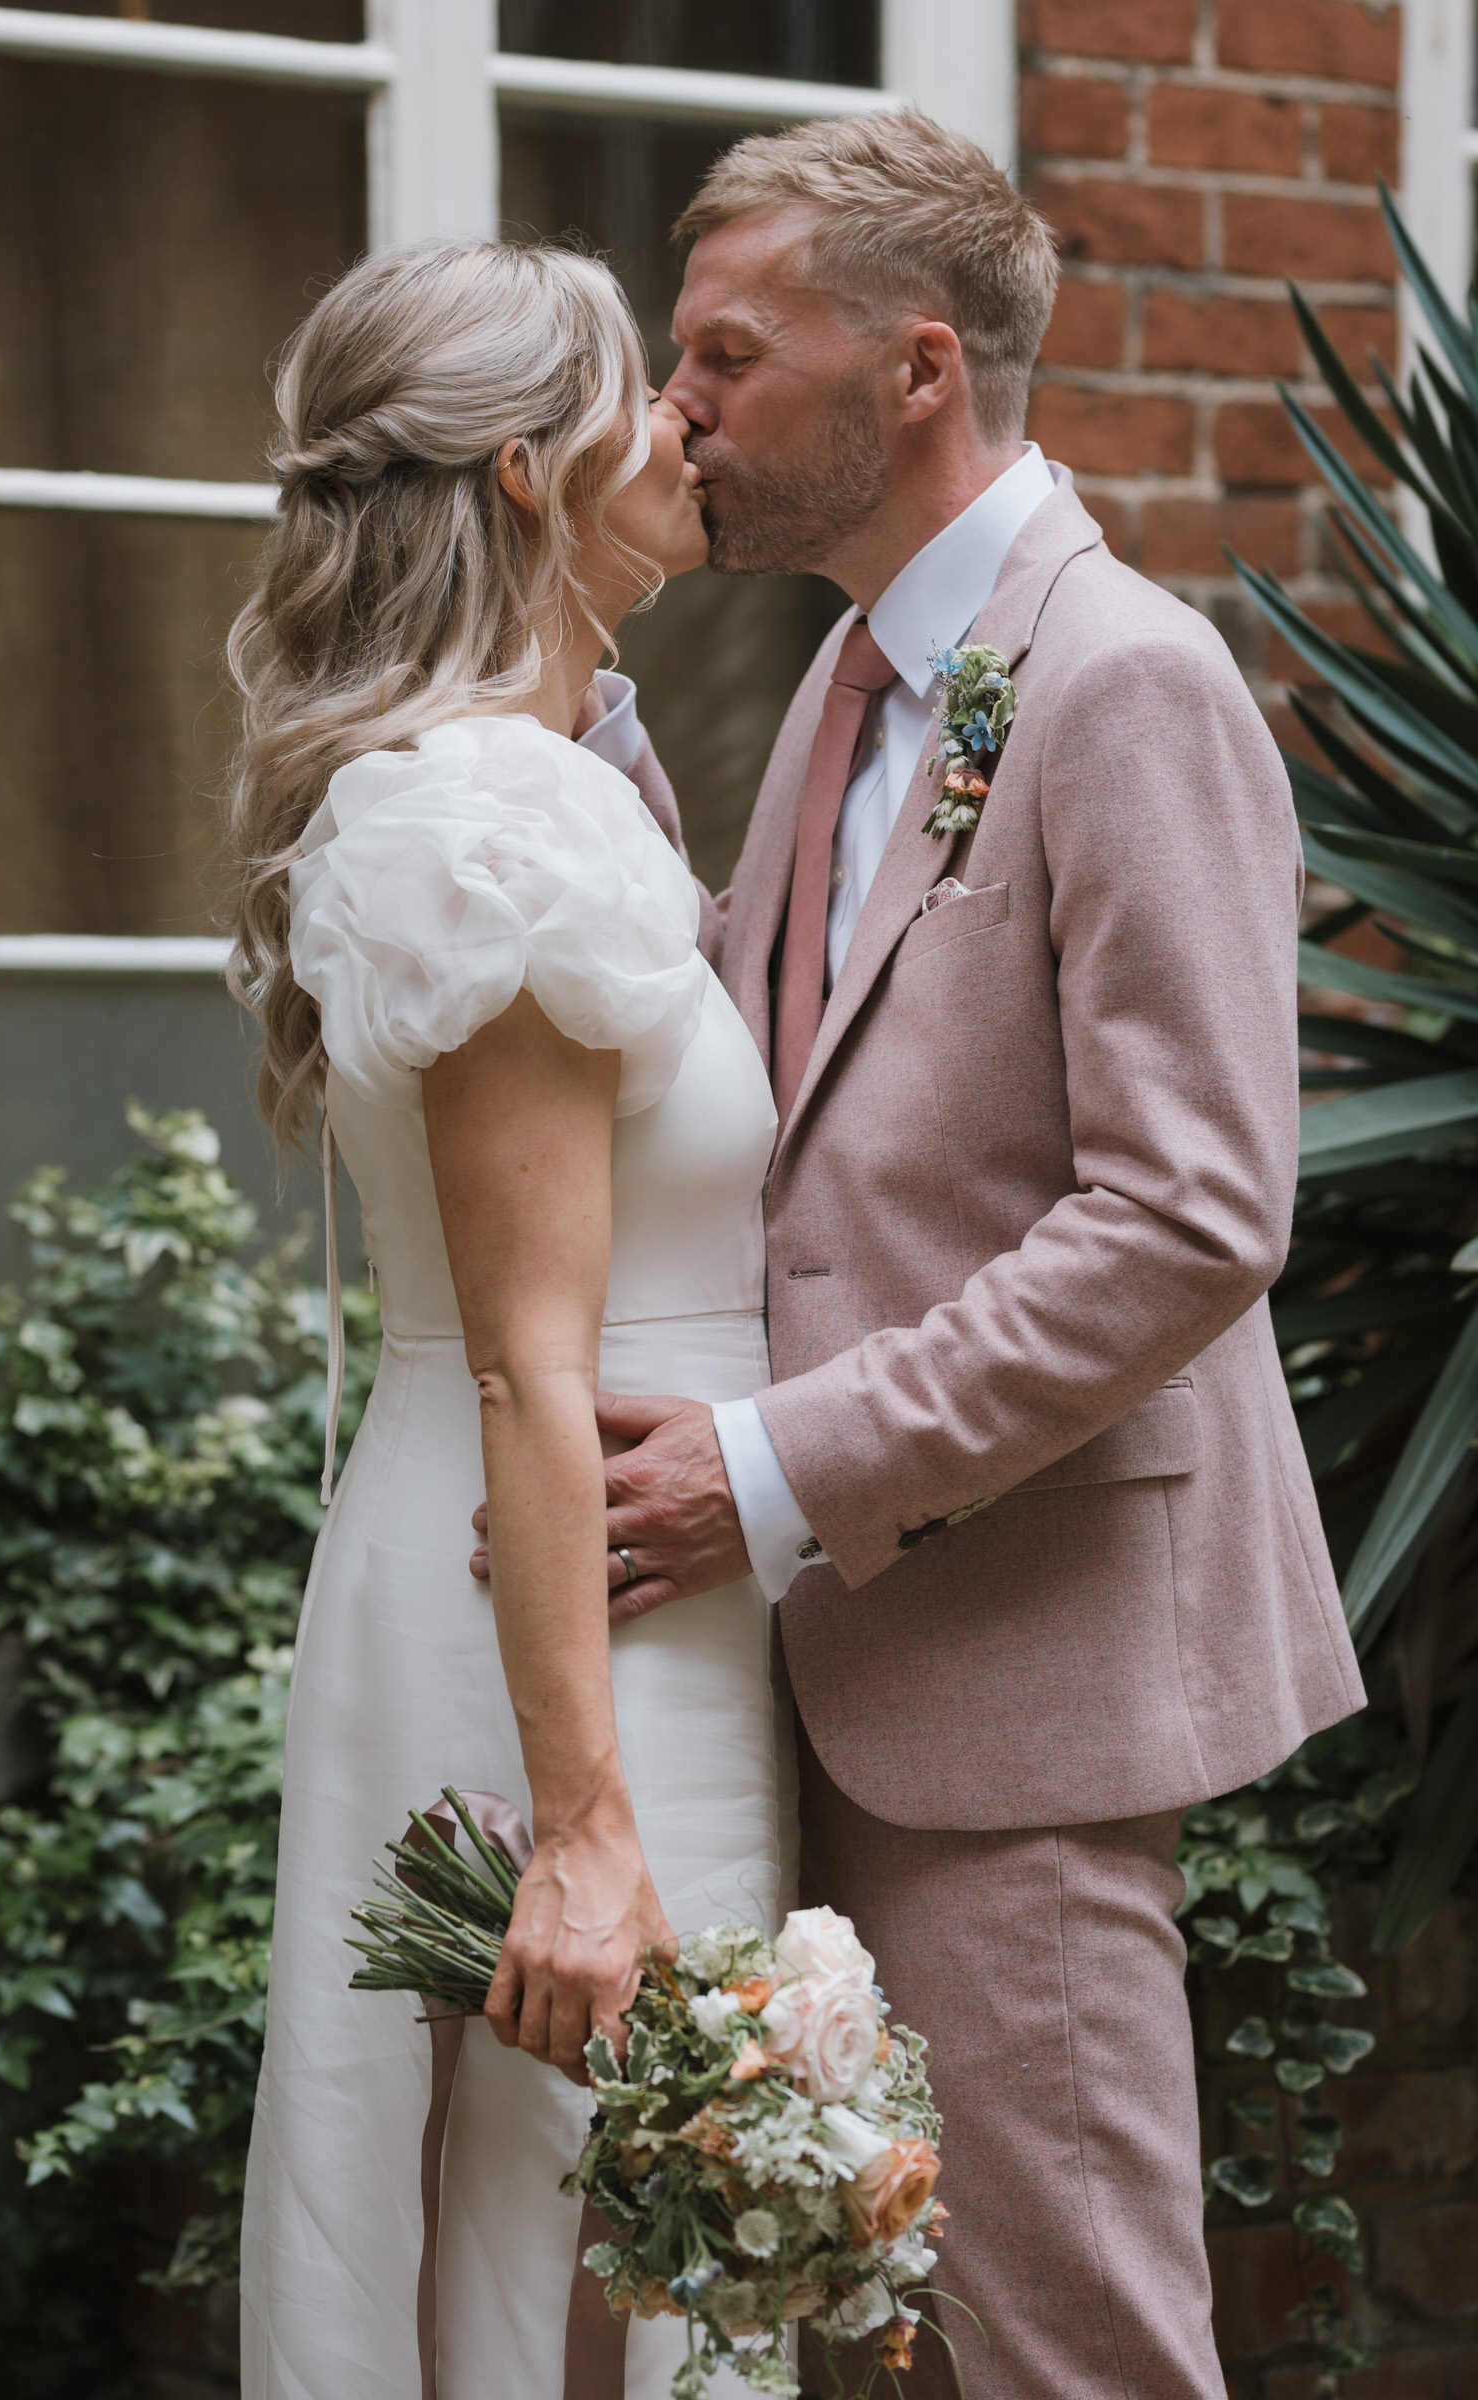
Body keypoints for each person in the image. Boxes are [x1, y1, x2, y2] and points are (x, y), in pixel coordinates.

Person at [509, 110, 1370, 2399]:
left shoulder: (1123, 683)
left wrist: (775, 1469)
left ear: (911, 374)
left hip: (1021, 1667)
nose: (671, 405)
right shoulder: (846, 679)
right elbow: (780, 1055)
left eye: (719, 353)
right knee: (887, 2349)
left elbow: (1191, 1212)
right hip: (829, 1667)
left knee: (1067, 2342)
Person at [230, 241, 793, 2400]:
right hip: (552, 1632)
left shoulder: (536, 781)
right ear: (523, 476)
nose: (682, 428)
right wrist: (581, 1824)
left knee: (603, 2218)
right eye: (642, 393)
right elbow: (527, 1364)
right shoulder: (483, 824)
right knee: (578, 2223)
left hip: (589, 1591)